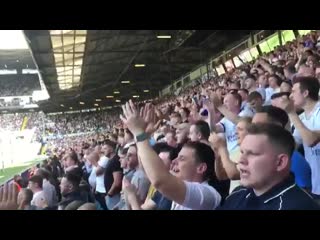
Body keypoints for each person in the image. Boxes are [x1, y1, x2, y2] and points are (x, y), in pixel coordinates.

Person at [120, 101, 221, 210]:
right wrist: (144, 135)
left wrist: (132, 198)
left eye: (182, 158)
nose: (174, 161)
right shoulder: (172, 191)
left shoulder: (207, 194)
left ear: (201, 168)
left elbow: (159, 180)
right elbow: (146, 168)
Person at [219, 123, 319, 210]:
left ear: (280, 162)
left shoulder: (298, 206)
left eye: (252, 154)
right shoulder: (238, 194)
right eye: (242, 152)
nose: (241, 160)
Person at [277, 76, 320, 197]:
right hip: (316, 183)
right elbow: (292, 146)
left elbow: (311, 140)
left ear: (305, 93)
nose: (290, 96)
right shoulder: (300, 118)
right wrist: (284, 118)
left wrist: (291, 113)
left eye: (294, 91)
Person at [252, 105, 312, 191]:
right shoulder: (251, 155)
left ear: (277, 127)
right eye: (252, 125)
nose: (253, 130)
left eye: (259, 125)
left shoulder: (293, 160)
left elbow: (302, 198)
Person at [103, 140, 122, 210]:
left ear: (111, 149)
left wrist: (109, 194)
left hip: (114, 195)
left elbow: (117, 181)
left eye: (105, 148)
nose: (103, 150)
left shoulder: (115, 161)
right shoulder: (111, 160)